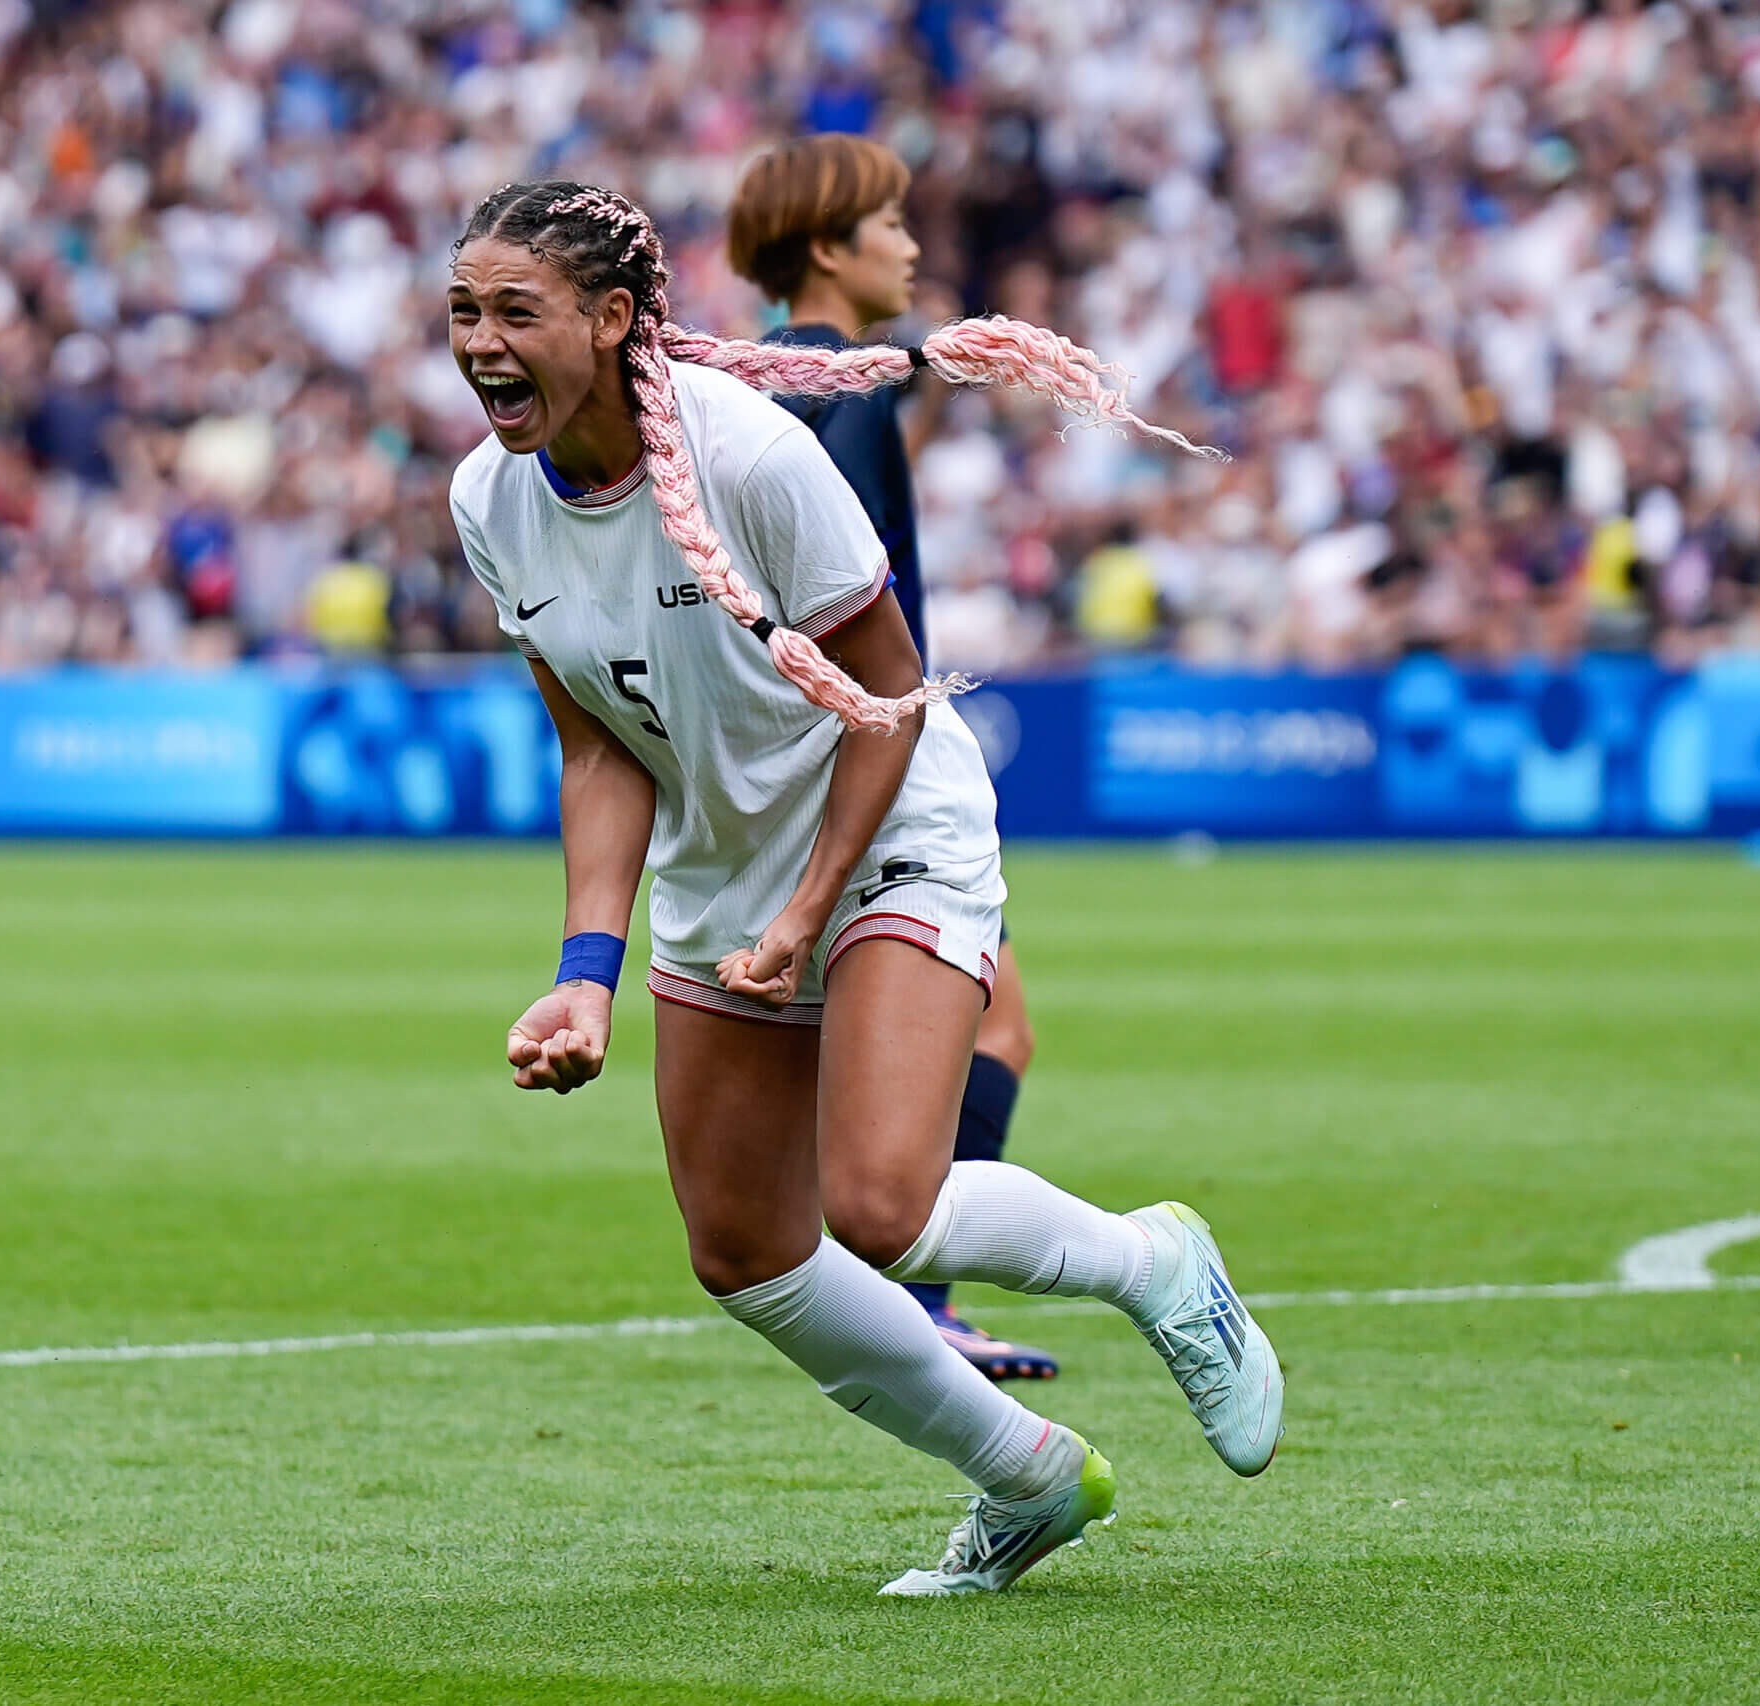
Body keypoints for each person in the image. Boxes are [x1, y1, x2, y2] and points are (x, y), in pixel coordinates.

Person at [446, 180, 1276, 1596]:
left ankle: (1152, 1260)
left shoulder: (752, 457)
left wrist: (808, 905)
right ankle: (1024, 1475)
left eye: (515, 310)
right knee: (743, 1251)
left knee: (883, 1204)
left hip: (886, 823)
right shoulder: (487, 500)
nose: (479, 342)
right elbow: (597, 745)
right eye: (463, 310)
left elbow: (888, 703)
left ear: (613, 317)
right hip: (728, 867)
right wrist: (586, 972)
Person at [726, 134, 1053, 1383]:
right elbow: (855, 596)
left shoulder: (769, 379)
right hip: (873, 746)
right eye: (890, 225)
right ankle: (917, 1298)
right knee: (996, 1023)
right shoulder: (843, 399)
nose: (912, 246)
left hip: (783, 752)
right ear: (828, 246)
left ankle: (903, 1292)